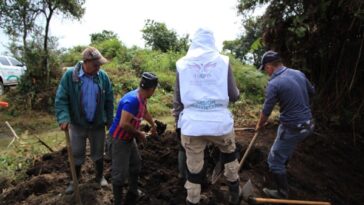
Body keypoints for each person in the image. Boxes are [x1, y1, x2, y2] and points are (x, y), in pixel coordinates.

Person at [174, 28, 241, 205]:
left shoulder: (182, 64)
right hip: (220, 125)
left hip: (192, 126)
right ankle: (235, 195)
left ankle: (192, 200)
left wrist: (177, 124)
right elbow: (233, 95)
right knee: (229, 156)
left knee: (194, 171)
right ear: (212, 42)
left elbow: (178, 100)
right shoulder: (223, 62)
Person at [255, 50, 315, 199]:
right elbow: (312, 92)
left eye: (265, 69)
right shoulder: (298, 73)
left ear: (269, 66)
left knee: (274, 161)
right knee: (284, 145)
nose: (266, 73)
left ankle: (282, 193)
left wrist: (259, 125)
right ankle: (284, 162)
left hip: (292, 127)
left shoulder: (274, 84)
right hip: (308, 124)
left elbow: (266, 111)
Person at [55, 46, 114, 194]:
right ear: (85, 62)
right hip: (77, 124)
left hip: (97, 123)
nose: (98, 67)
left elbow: (109, 100)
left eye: (100, 65)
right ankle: (74, 181)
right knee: (76, 153)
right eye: (96, 65)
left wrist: (109, 120)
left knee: (98, 153)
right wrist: (63, 117)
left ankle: (99, 177)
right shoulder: (70, 76)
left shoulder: (103, 77)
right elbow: (61, 99)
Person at [109, 72, 158, 205]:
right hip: (119, 139)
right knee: (120, 174)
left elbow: (145, 112)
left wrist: (153, 124)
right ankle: (118, 202)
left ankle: (133, 190)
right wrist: (139, 134)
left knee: (136, 164)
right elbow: (123, 124)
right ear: (151, 89)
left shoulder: (142, 97)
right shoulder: (132, 100)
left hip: (129, 138)